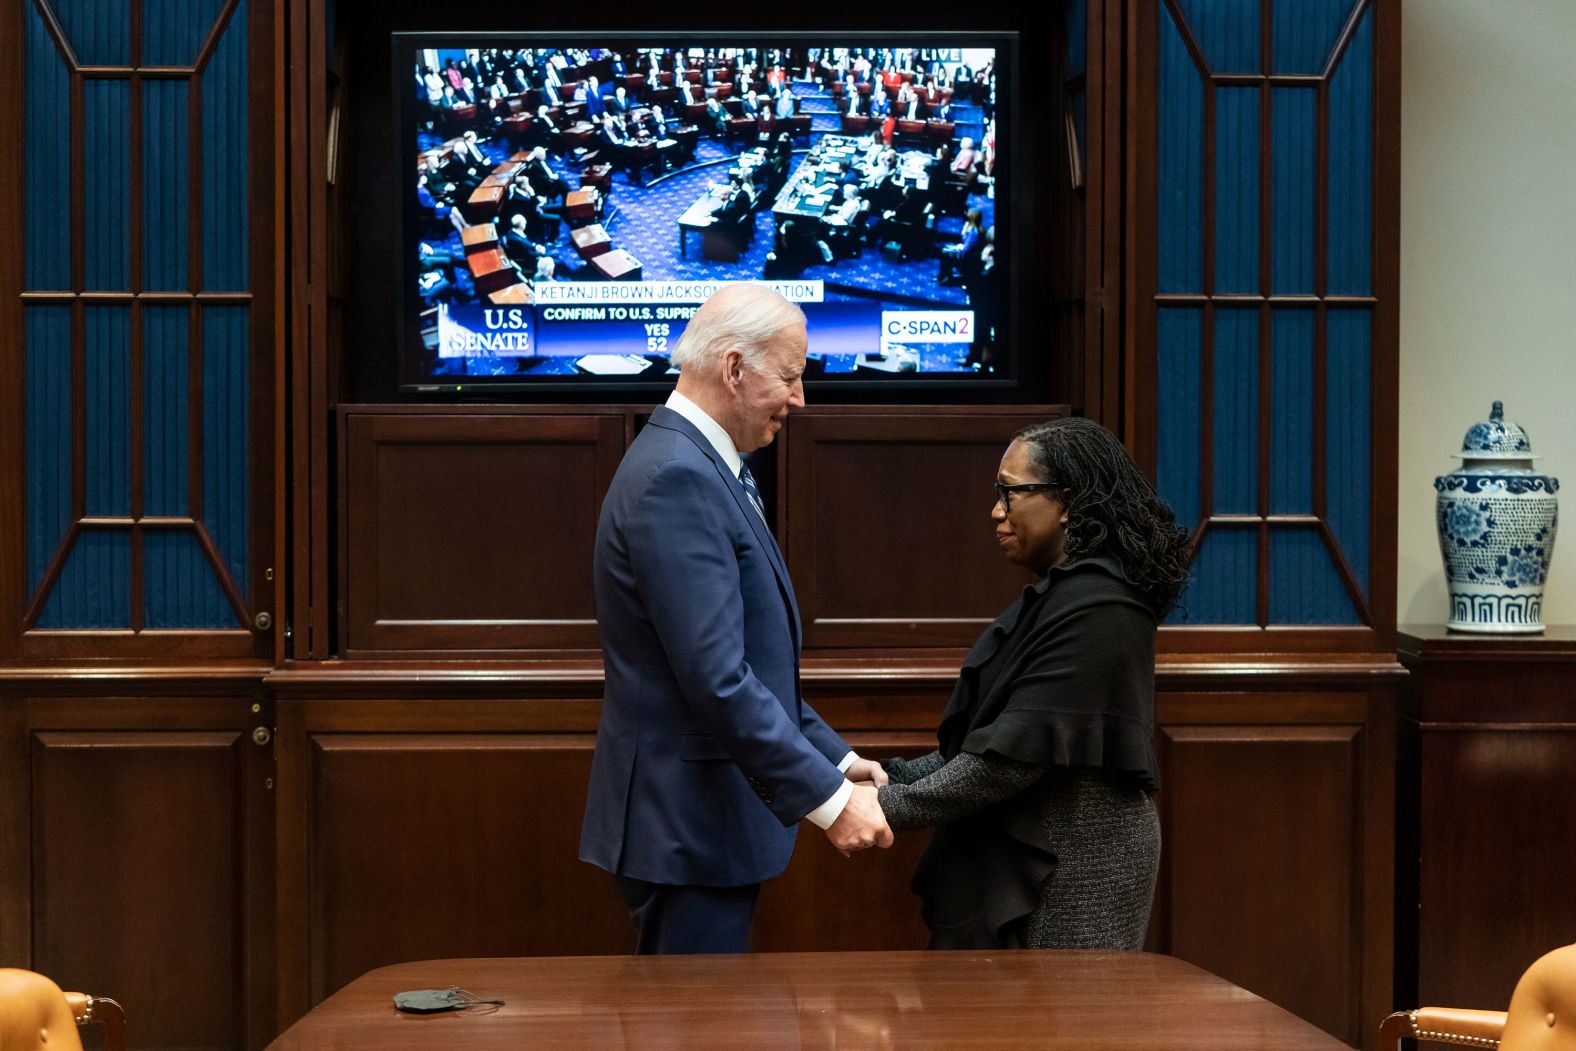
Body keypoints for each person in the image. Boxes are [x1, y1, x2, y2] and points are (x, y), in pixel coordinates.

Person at [580, 285, 894, 955]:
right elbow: (717, 679)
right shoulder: (677, 478)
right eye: (790, 375)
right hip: (687, 827)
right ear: (733, 367)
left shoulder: (695, 463)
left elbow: (747, 665)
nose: (800, 398)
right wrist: (830, 803)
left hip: (699, 823)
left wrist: (834, 760)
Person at [872, 417, 1192, 950]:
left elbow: (1008, 762)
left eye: (1010, 493)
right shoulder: (1066, 596)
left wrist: (882, 807)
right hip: (1031, 845)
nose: (996, 511)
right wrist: (887, 778)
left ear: (1066, 502)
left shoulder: (1104, 607)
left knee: (1060, 1032)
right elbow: (992, 739)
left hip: (1075, 866)